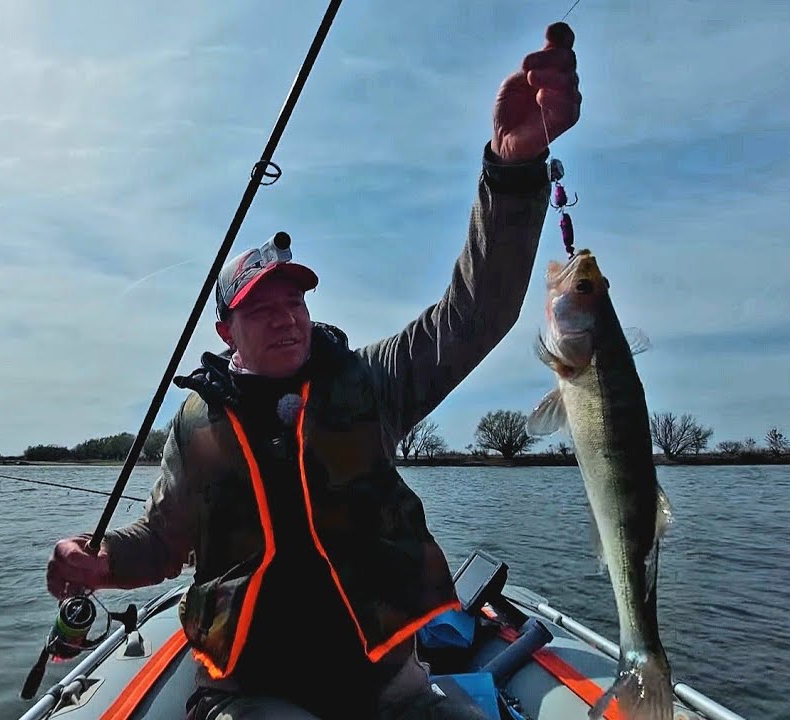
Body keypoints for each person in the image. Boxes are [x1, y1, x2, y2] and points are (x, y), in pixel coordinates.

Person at [47, 21, 581, 720]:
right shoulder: (195, 429)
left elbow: (475, 312)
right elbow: (162, 543)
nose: (288, 316)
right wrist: (99, 562)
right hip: (252, 688)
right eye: (261, 307)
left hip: (388, 684)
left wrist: (511, 170)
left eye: (295, 298)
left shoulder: (370, 381)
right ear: (224, 331)